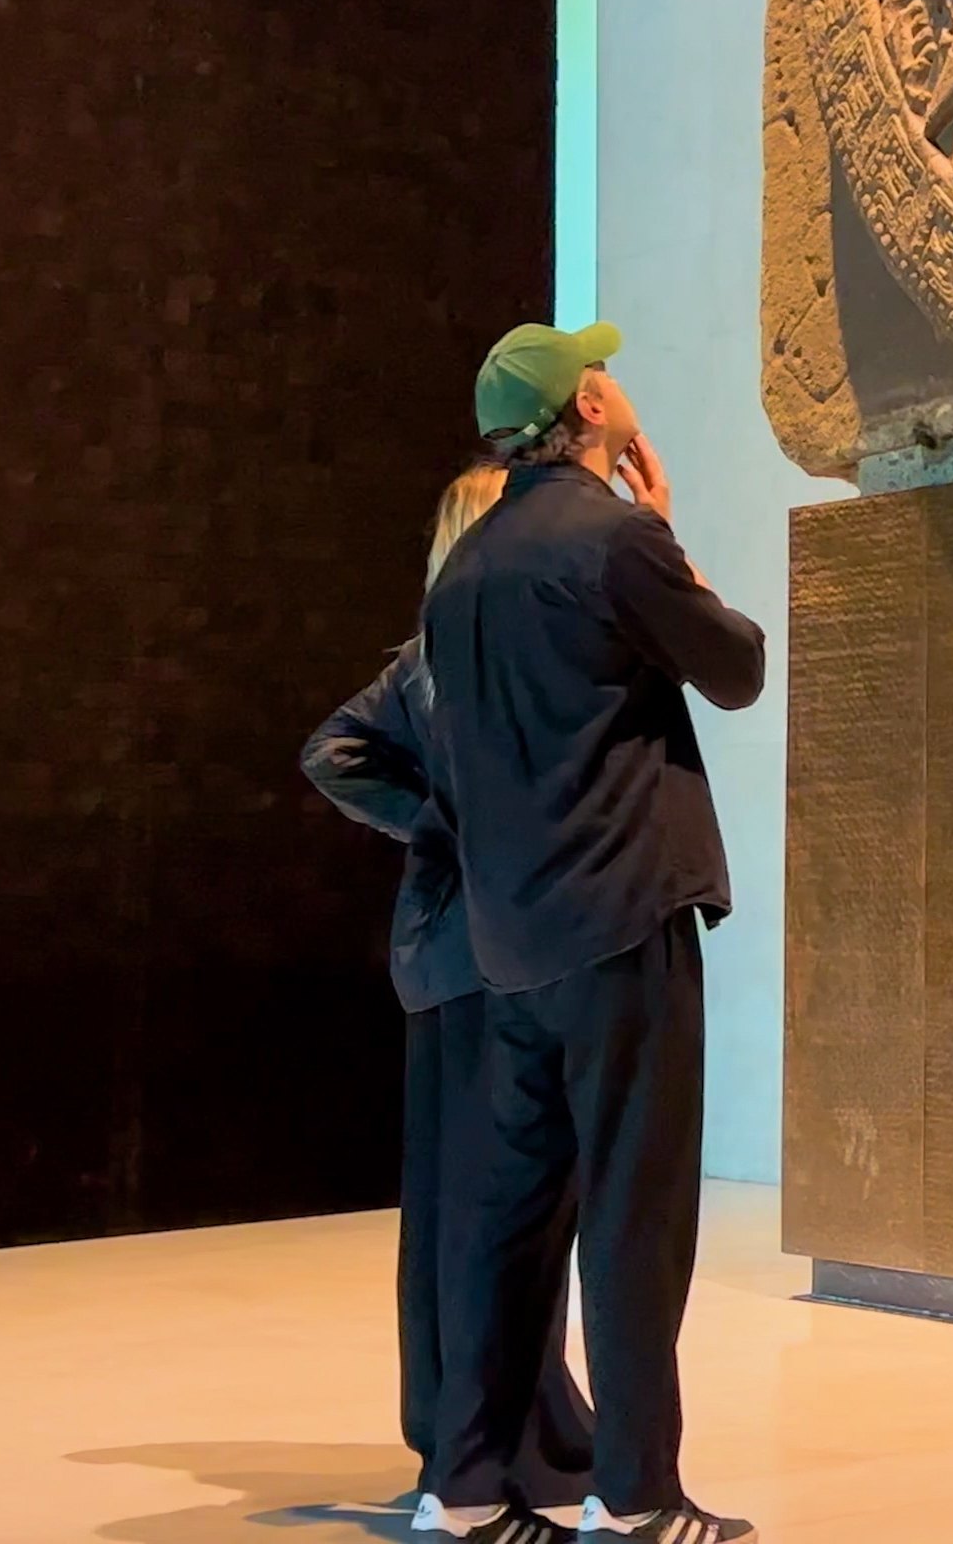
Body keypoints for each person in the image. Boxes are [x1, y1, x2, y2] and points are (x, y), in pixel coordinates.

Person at [419, 322, 767, 1544]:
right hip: (621, 921)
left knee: (514, 1221)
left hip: (510, 940)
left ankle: (465, 1489)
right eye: (601, 376)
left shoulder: (462, 574)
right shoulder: (615, 542)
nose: (617, 386)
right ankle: (638, 1496)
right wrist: (665, 531)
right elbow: (735, 669)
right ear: (587, 408)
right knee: (635, 1211)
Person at [299, 466, 598, 1532]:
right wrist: (449, 821)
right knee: (504, 1210)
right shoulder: (477, 662)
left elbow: (331, 752)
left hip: (444, 964)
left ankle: (470, 1425)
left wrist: (428, 818)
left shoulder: (432, 661)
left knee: (458, 1208)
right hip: (494, 961)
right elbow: (330, 755)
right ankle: (501, 1435)